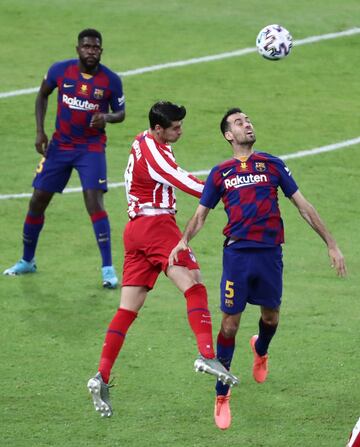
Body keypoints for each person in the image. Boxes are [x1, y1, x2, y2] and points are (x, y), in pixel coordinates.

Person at [169, 107, 347, 430]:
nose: (247, 124)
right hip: (237, 256)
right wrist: (184, 239)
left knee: (270, 318)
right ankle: (222, 393)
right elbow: (200, 214)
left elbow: (303, 206)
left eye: (247, 120)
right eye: (239, 122)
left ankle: (260, 348)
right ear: (228, 135)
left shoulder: (272, 165)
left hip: (269, 255)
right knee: (229, 325)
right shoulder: (220, 173)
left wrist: (331, 243)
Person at [87, 101, 239, 418]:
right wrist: (226, 190)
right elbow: (179, 179)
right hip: (156, 227)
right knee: (194, 285)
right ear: (159, 129)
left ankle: (101, 375)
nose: (180, 131)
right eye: (174, 127)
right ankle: (207, 355)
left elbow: (173, 172)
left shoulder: (143, 141)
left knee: (127, 310)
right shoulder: (156, 155)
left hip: (135, 232)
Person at [3, 29, 125, 288]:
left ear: (101, 50)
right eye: (86, 46)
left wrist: (108, 117)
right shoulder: (60, 71)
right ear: (78, 48)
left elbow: (121, 112)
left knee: (94, 202)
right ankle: (27, 260)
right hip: (60, 146)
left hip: (91, 148)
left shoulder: (111, 81)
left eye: (95, 47)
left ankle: (108, 269)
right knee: (37, 200)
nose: (91, 50)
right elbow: (42, 95)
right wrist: (40, 131)